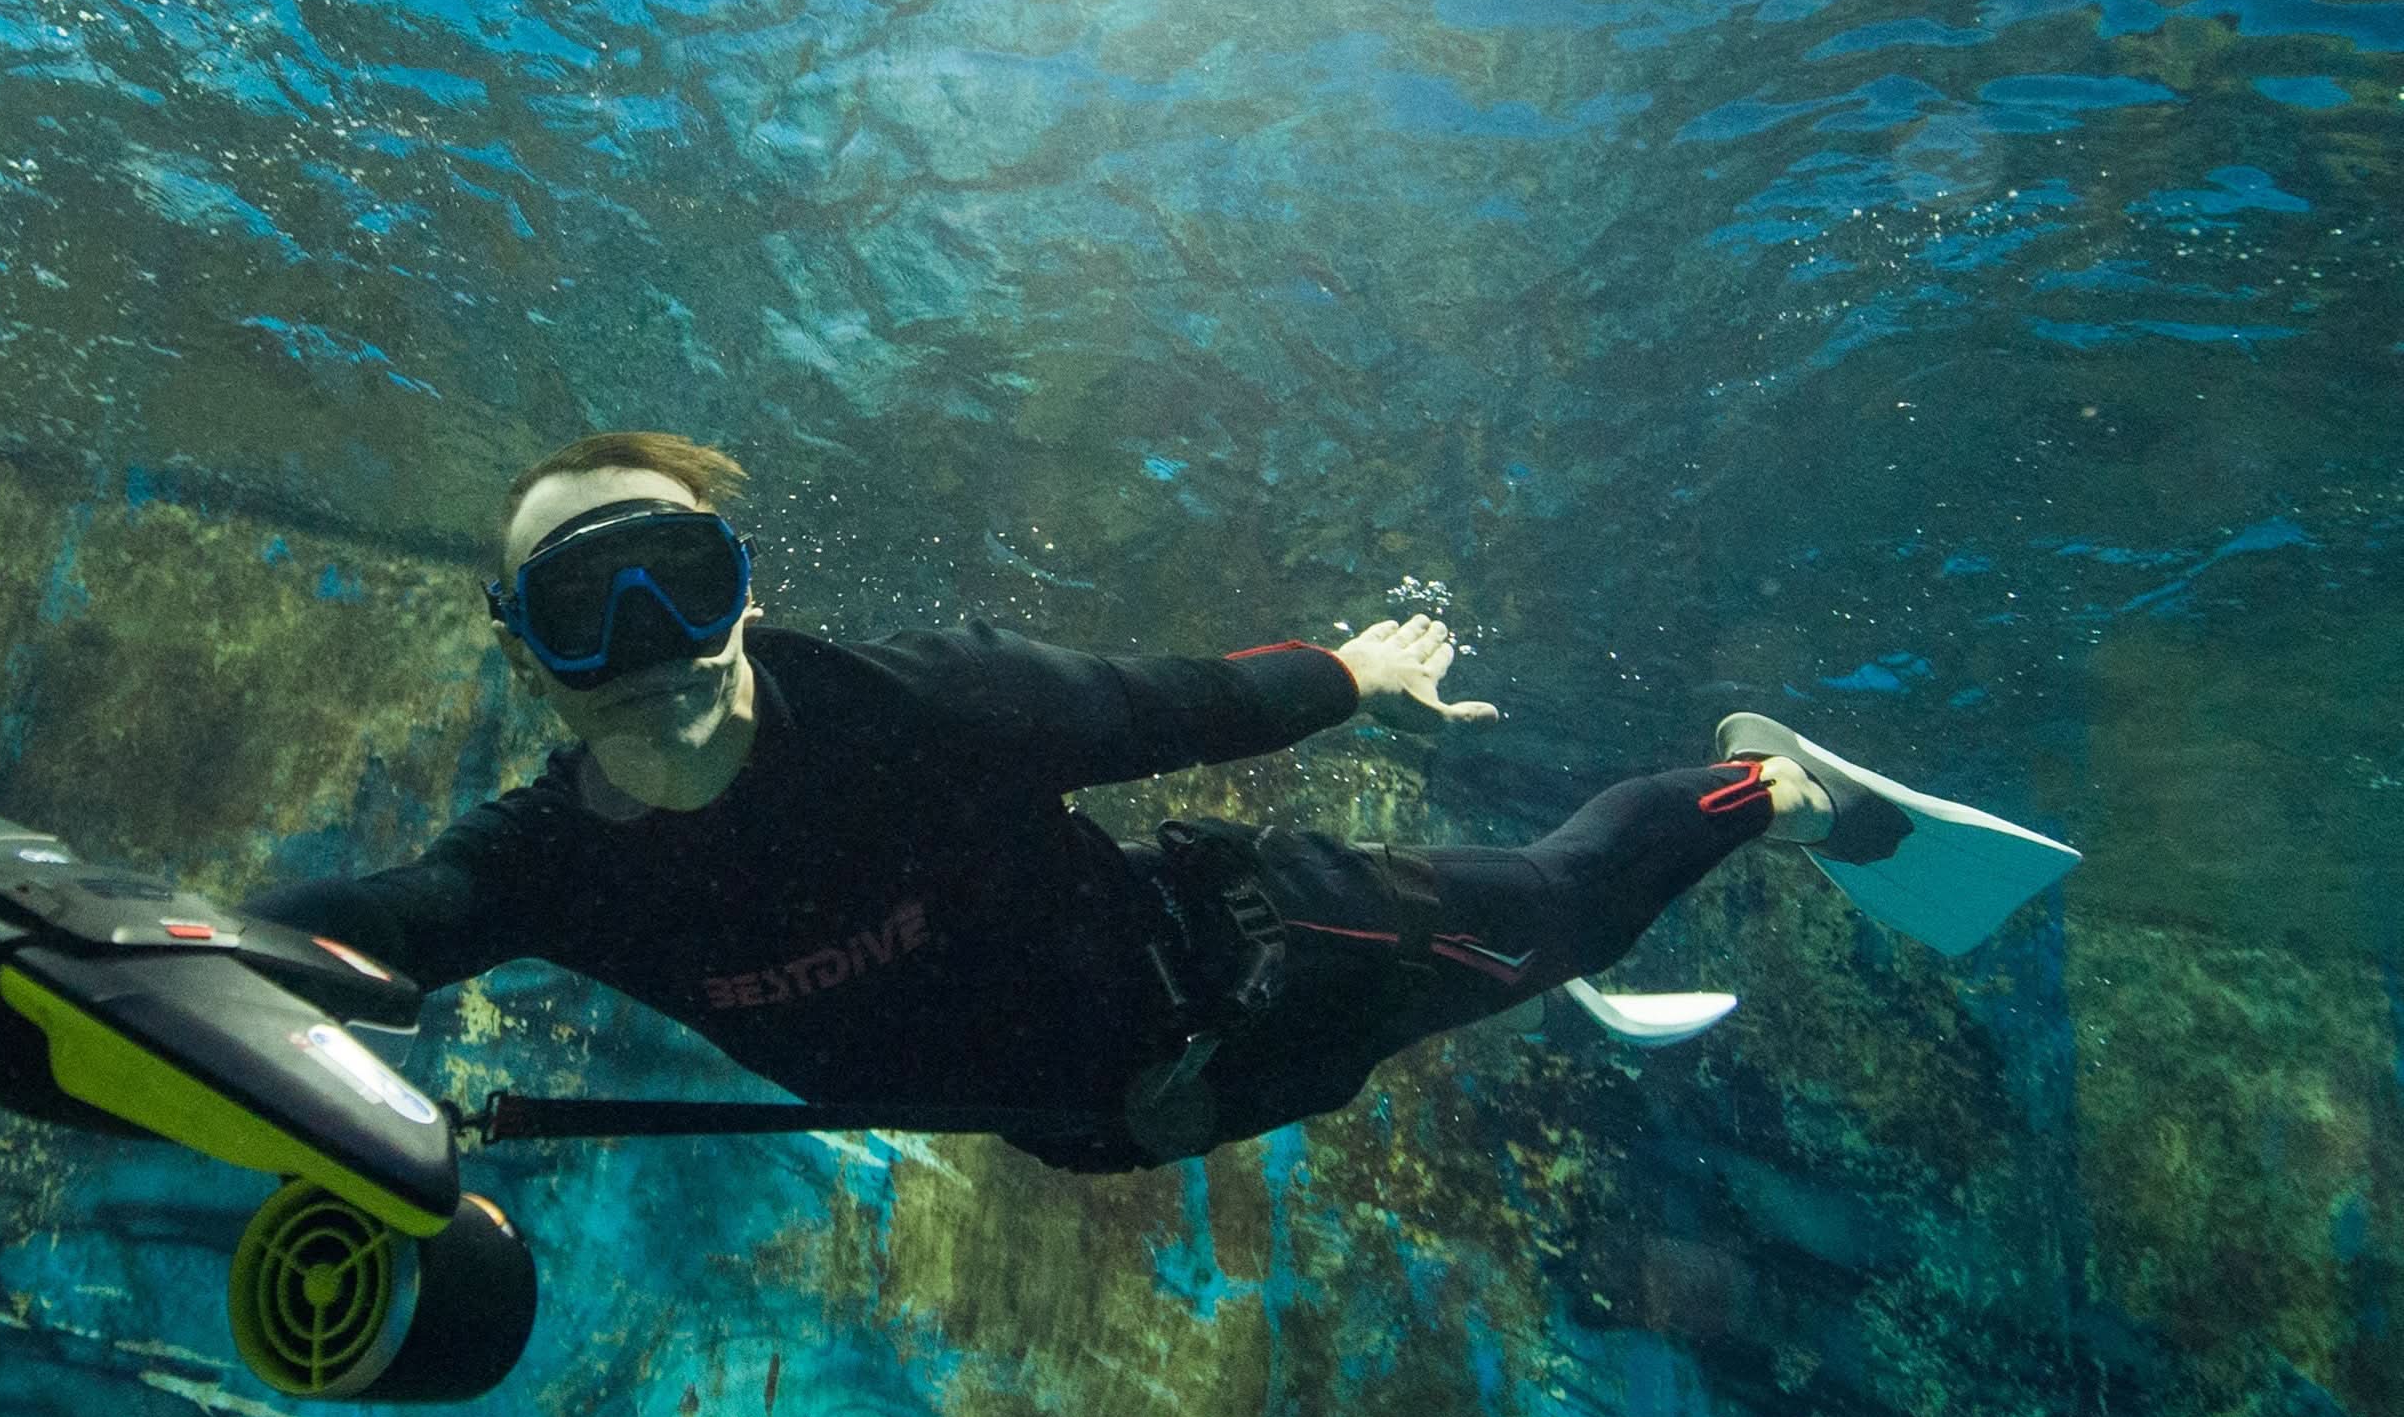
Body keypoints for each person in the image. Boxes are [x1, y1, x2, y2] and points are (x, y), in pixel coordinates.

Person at [242, 433, 2076, 1172]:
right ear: (524, 658)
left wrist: (1360, 671)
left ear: (738, 583)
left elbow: (1170, 707)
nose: (653, 640)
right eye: (587, 605)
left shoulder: (907, 702)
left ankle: (1772, 785)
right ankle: (1531, 957)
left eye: (682, 578)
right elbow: (381, 928)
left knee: (1561, 900)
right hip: (1108, 1127)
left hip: (1258, 972)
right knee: (1521, 940)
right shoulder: (555, 871)